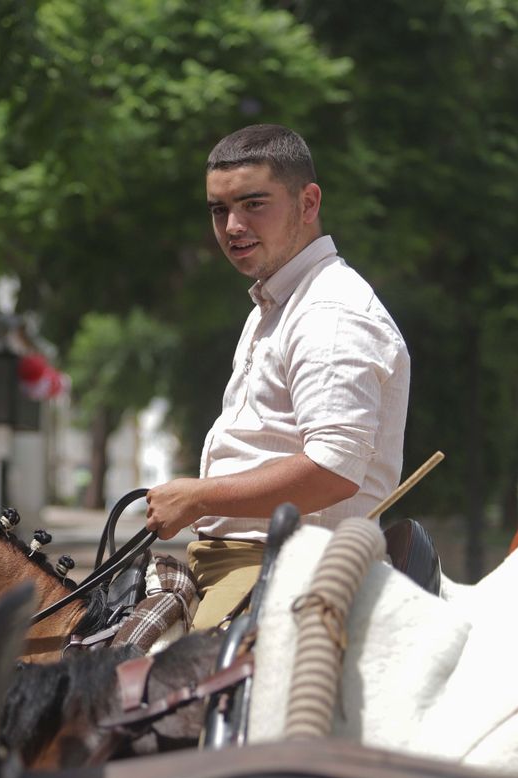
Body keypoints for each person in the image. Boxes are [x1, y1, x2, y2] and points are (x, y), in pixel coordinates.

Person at [145, 124, 410, 629]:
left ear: (308, 203)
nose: (233, 226)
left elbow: (333, 469)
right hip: (238, 565)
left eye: (253, 204)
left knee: (167, 679)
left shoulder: (330, 312)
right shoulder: (278, 304)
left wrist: (197, 496)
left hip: (292, 569)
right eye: (219, 210)